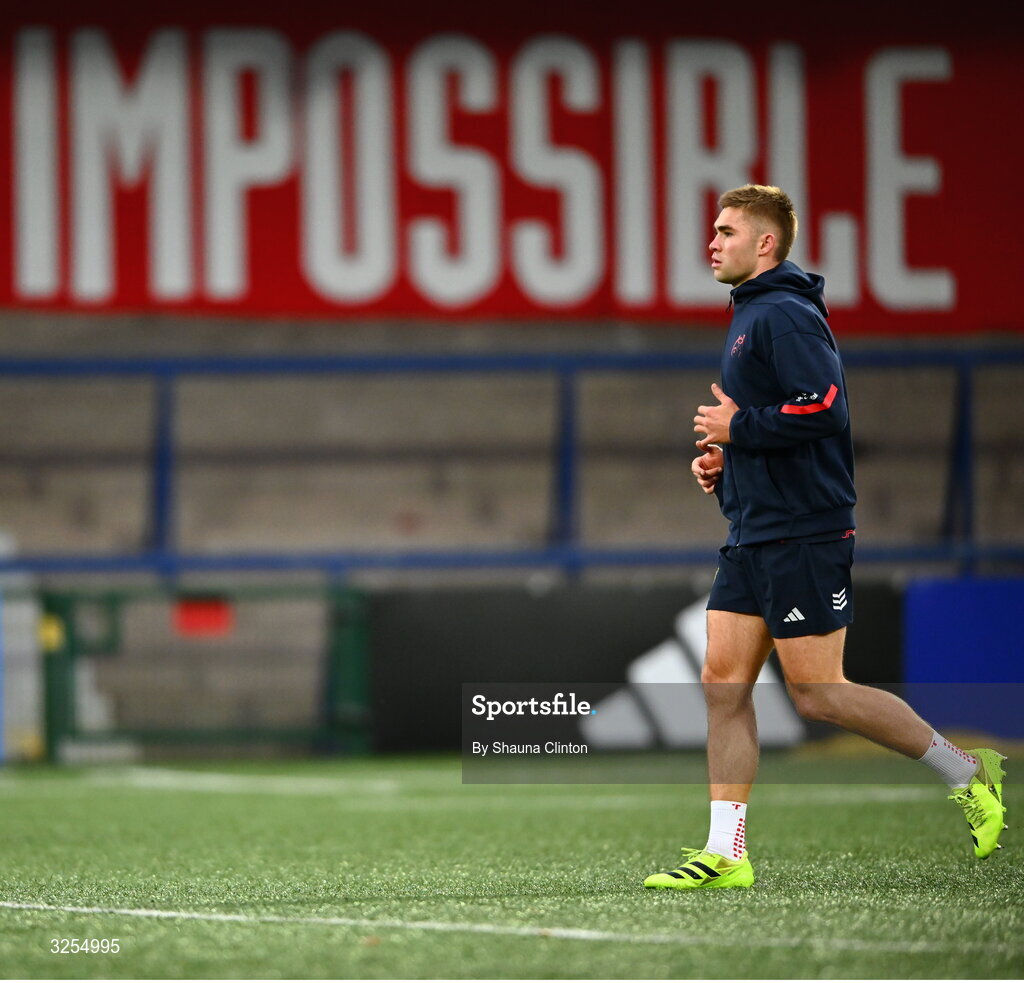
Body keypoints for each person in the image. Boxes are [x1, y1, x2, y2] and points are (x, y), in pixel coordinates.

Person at [644, 184, 1007, 890]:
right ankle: (726, 852)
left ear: (766, 243)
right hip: (755, 532)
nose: (711, 242)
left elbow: (824, 407)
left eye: (725, 231)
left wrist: (738, 429)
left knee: (818, 693)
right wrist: (728, 465)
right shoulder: (753, 315)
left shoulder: (783, 313)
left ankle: (967, 773)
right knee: (722, 682)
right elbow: (782, 422)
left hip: (804, 533)